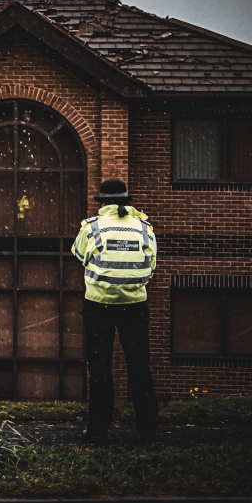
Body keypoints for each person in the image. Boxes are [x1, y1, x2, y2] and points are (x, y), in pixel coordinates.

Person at [70, 179, 158, 445]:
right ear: (127, 201)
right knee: (140, 367)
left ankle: (98, 431)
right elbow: (151, 263)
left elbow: (79, 254)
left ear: (103, 202)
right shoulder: (145, 228)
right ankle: (148, 431)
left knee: (100, 368)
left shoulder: (92, 227)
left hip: (99, 305)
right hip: (135, 306)